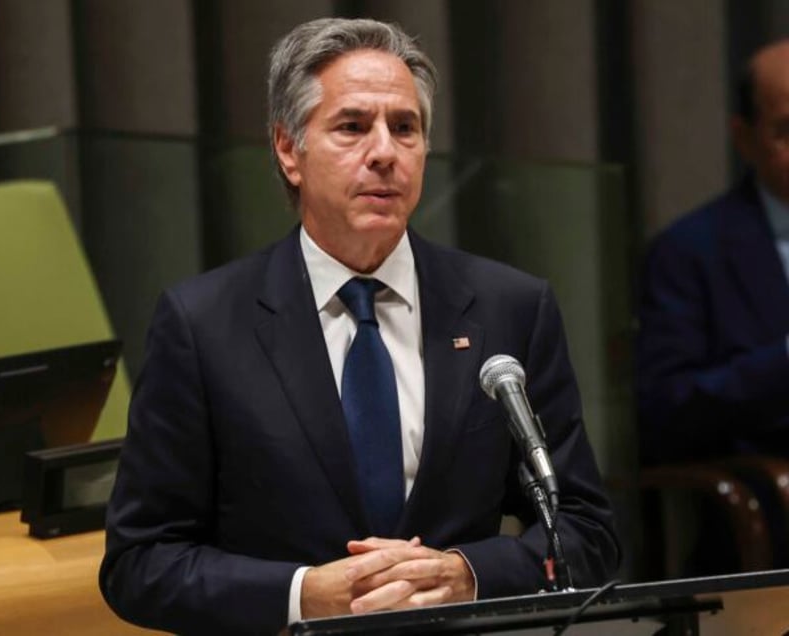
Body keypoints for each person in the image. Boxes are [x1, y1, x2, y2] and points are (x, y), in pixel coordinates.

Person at [100, 17, 619, 635]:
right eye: (352, 126)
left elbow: (586, 530)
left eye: (405, 129)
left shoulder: (510, 307)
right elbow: (140, 563)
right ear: (289, 151)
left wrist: (466, 575)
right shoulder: (203, 325)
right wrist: (300, 595)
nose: (384, 152)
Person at [637, 39, 789, 466]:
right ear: (745, 137)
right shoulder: (690, 251)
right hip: (767, 495)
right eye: (787, 131)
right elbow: (667, 408)